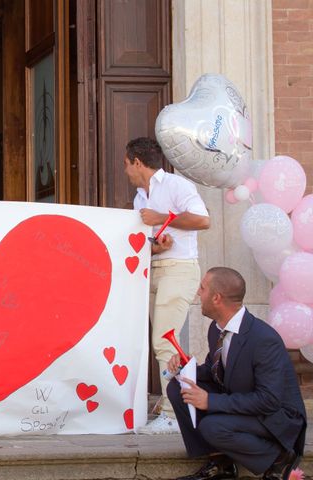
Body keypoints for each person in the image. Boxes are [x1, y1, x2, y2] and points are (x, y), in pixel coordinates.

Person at [168, 267, 306, 480]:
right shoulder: (216, 328)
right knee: (178, 387)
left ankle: (279, 458)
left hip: (277, 417)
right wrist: (185, 368)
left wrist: (210, 401)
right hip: (247, 402)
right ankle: (220, 464)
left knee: (213, 427)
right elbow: (216, 372)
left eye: (202, 288)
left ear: (216, 298)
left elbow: (269, 400)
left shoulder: (263, 339)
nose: (198, 293)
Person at [123, 137, 210, 434]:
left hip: (179, 270)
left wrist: (163, 218)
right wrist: (158, 246)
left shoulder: (176, 185)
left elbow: (202, 220)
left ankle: (174, 415)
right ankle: (174, 405)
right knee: (162, 341)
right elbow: (152, 240)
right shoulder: (139, 197)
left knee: (165, 340)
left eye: (126, 163)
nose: (125, 170)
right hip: (154, 270)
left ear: (137, 161)